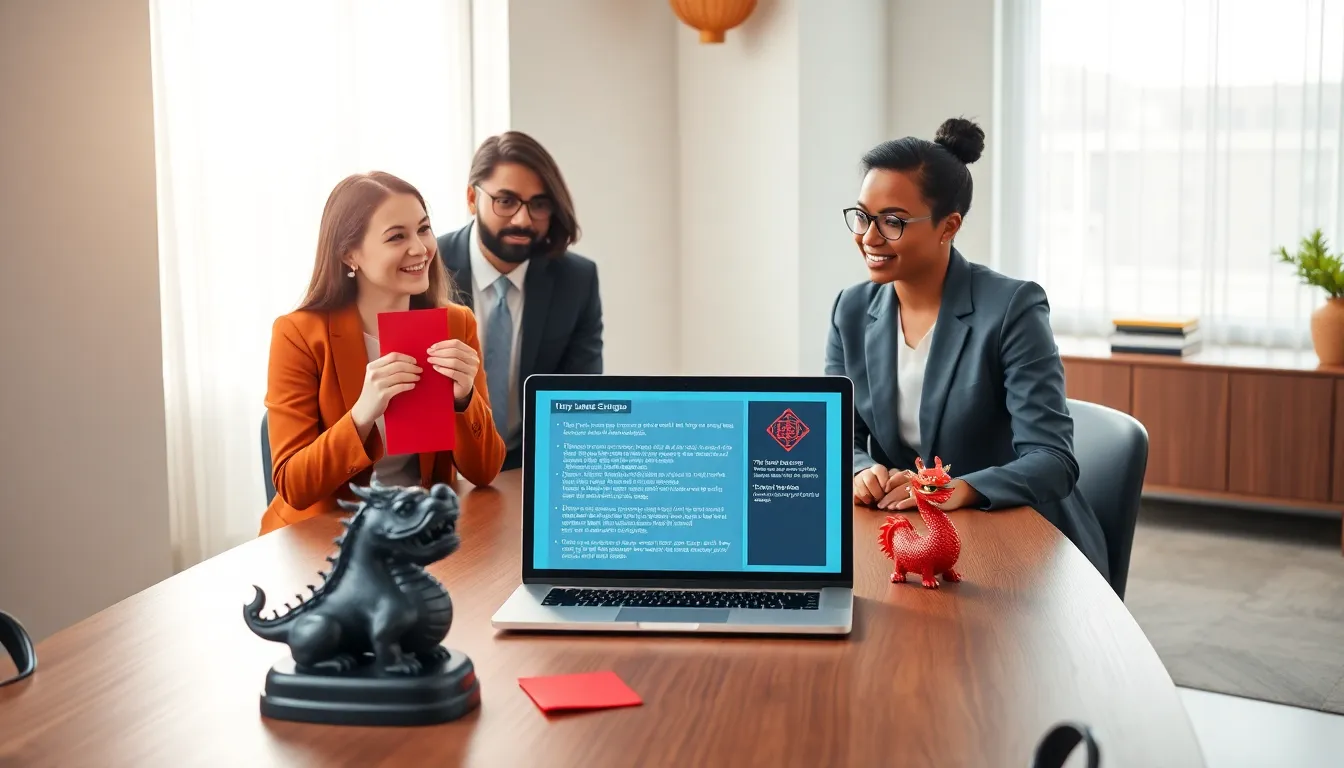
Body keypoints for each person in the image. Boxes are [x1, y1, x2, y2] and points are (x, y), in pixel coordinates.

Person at [823, 117, 1110, 579]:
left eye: (892, 221)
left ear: (948, 226)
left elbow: (1053, 460)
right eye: (862, 216)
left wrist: (962, 488)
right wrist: (861, 469)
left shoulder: (1012, 307)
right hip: (916, 536)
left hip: (1018, 542)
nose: (869, 238)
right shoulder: (851, 310)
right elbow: (837, 432)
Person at [260, 171, 507, 535]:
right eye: (397, 236)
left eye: (424, 229)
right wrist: (362, 414)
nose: (421, 248)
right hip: (322, 539)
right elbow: (294, 486)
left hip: (416, 531)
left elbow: (484, 472)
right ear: (349, 254)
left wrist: (464, 398)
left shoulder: (456, 324)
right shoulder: (299, 334)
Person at [437, 131, 603, 471]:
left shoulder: (577, 281)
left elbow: (581, 407)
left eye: (538, 205)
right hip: (443, 469)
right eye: (506, 201)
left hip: (530, 469)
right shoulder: (428, 267)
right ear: (472, 198)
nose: (523, 220)